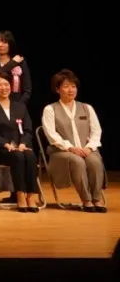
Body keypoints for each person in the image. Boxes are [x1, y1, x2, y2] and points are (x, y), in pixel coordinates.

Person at [40, 69, 105, 212]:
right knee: (77, 161)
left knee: (94, 161)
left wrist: (89, 147)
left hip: (86, 149)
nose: (71, 90)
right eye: (66, 86)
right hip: (61, 151)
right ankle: (86, 200)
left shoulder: (87, 108)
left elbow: (96, 131)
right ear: (57, 89)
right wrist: (70, 147)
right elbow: (51, 134)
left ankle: (97, 198)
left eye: (73, 86)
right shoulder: (50, 109)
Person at [0, 72, 40, 212]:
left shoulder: (19, 105)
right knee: (18, 156)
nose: (4, 88)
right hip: (0, 149)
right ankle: (20, 194)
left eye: (6, 84)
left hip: (21, 147)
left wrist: (23, 144)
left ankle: (31, 195)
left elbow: (28, 129)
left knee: (30, 155)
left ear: (11, 86)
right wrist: (6, 144)